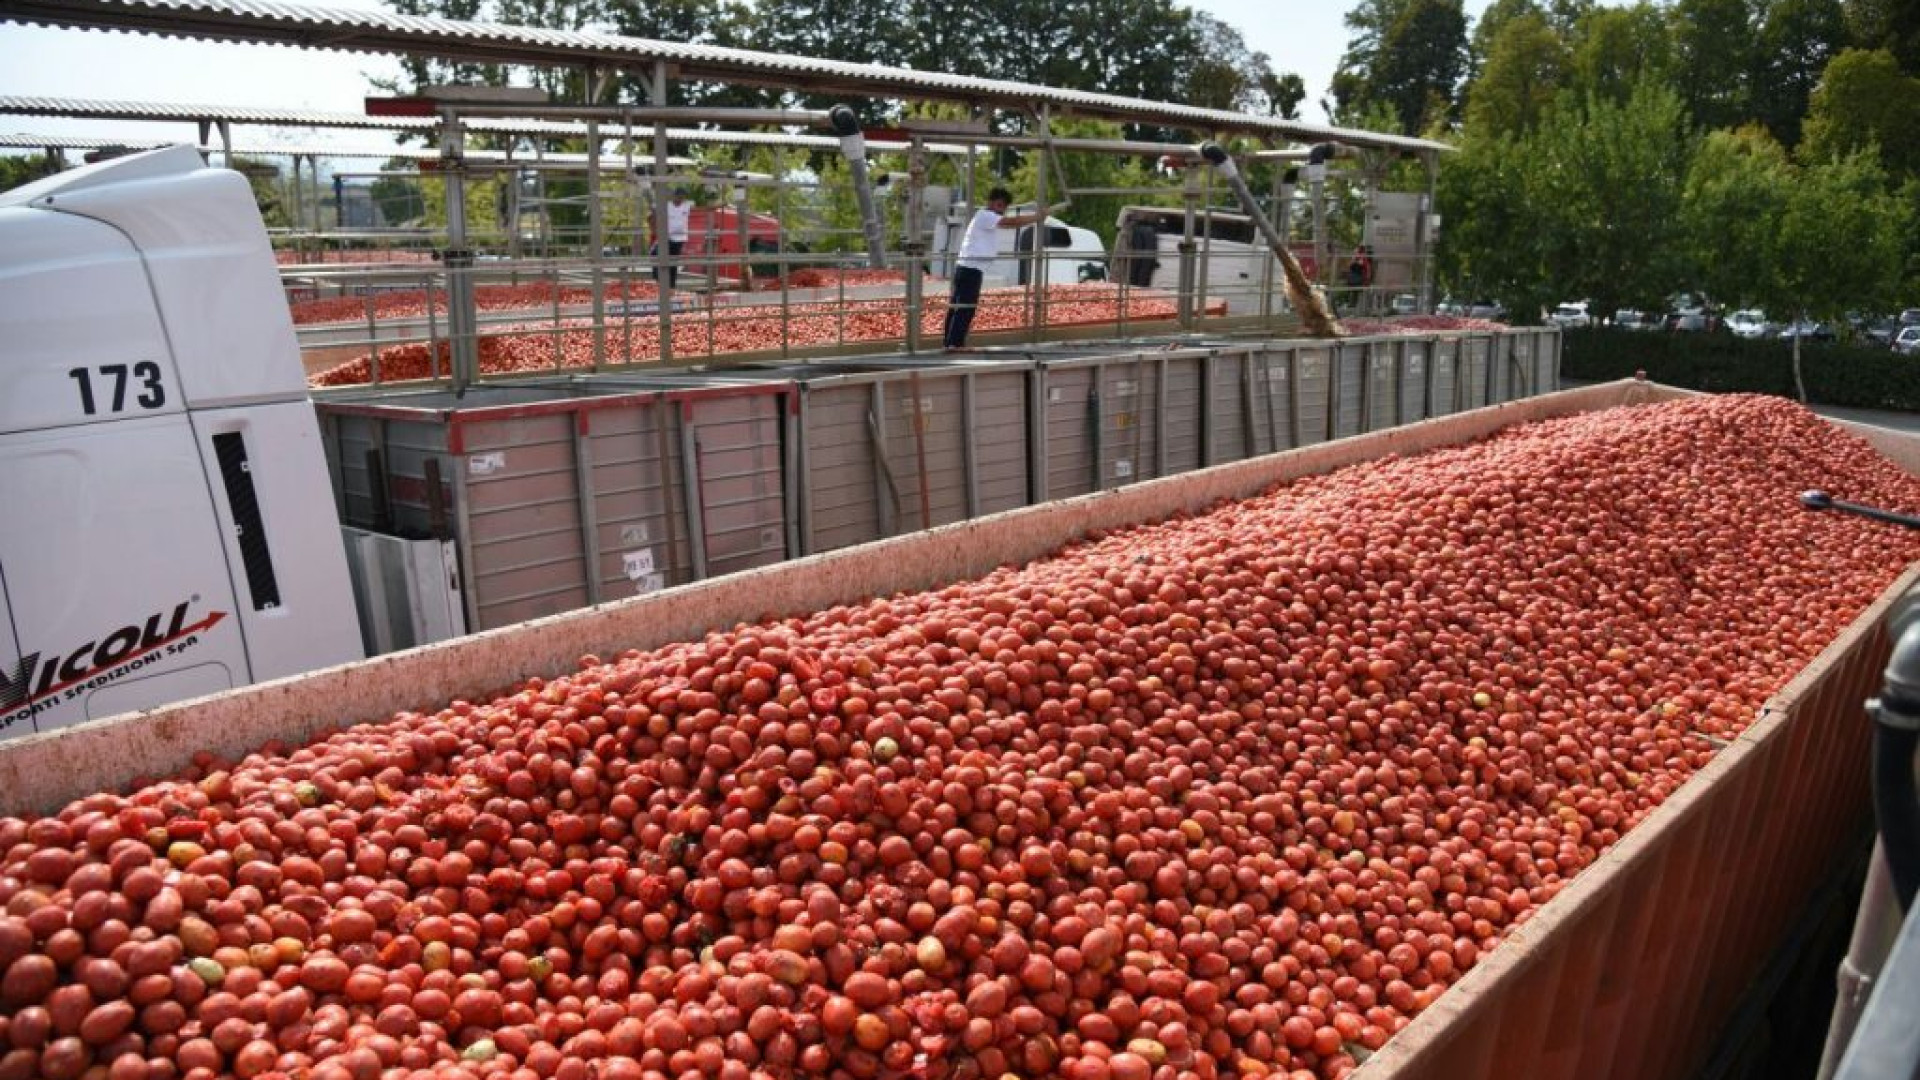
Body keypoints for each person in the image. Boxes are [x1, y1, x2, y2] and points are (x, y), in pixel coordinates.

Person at [943, 187, 1057, 351]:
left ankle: (950, 343)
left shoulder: (984, 217)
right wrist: (1037, 217)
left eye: (1003, 207)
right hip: (971, 268)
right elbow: (1011, 223)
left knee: (959, 305)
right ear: (990, 203)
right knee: (966, 307)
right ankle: (955, 344)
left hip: (968, 267)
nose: (1001, 210)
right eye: (999, 205)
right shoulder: (985, 216)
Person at [654, 189, 692, 287]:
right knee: (656, 254)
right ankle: (658, 281)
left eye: (682, 197)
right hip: (667, 237)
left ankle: (671, 285)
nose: (681, 199)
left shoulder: (687, 205)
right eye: (679, 196)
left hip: (679, 238)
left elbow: (704, 208)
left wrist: (720, 205)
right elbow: (654, 211)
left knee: (673, 262)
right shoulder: (667, 205)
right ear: (674, 196)